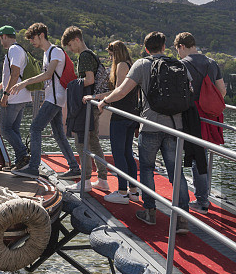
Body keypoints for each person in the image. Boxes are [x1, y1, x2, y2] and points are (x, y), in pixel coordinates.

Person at [94, 31, 191, 232]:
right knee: (176, 173)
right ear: (164, 46)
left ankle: (149, 211)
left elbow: (122, 90)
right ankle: (182, 219)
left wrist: (104, 101)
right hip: (175, 127)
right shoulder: (178, 65)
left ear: (146, 48)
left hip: (150, 125)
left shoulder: (142, 64)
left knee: (147, 169)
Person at [7, 22, 80, 180]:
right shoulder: (47, 53)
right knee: (59, 135)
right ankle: (74, 168)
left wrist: (24, 82)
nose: (31, 42)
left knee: (35, 128)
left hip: (55, 99)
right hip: (53, 98)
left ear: (41, 35)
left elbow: (48, 76)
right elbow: (49, 81)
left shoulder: (55, 52)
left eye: (33, 38)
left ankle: (33, 167)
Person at [175, 32, 226, 214]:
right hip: (209, 116)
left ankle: (202, 200)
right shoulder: (212, 63)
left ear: (181, 46)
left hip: (190, 116)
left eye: (177, 50)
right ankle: (202, 197)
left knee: (193, 157)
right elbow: (222, 91)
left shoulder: (182, 64)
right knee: (202, 156)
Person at [85, 40, 140, 204]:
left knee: (119, 153)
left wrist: (98, 98)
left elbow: (118, 90)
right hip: (131, 114)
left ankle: (122, 192)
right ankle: (133, 191)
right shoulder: (132, 64)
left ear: (116, 53)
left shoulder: (122, 65)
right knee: (128, 153)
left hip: (121, 114)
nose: (110, 59)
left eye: (110, 55)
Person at [62, 26, 109, 191]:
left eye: (69, 45)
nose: (69, 49)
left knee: (81, 142)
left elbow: (89, 80)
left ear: (76, 39)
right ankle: (103, 179)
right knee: (94, 141)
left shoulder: (84, 56)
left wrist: (73, 84)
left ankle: (86, 181)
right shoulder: (93, 55)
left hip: (87, 105)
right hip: (94, 104)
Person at [0, 25, 32, 170]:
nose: (1, 42)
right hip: (22, 96)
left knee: (4, 129)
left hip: (14, 97)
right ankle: (20, 162)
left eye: (0, 39)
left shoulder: (13, 50)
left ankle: (24, 155)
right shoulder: (19, 49)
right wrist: (1, 85)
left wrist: (6, 94)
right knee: (14, 129)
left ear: (4, 37)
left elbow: (15, 73)